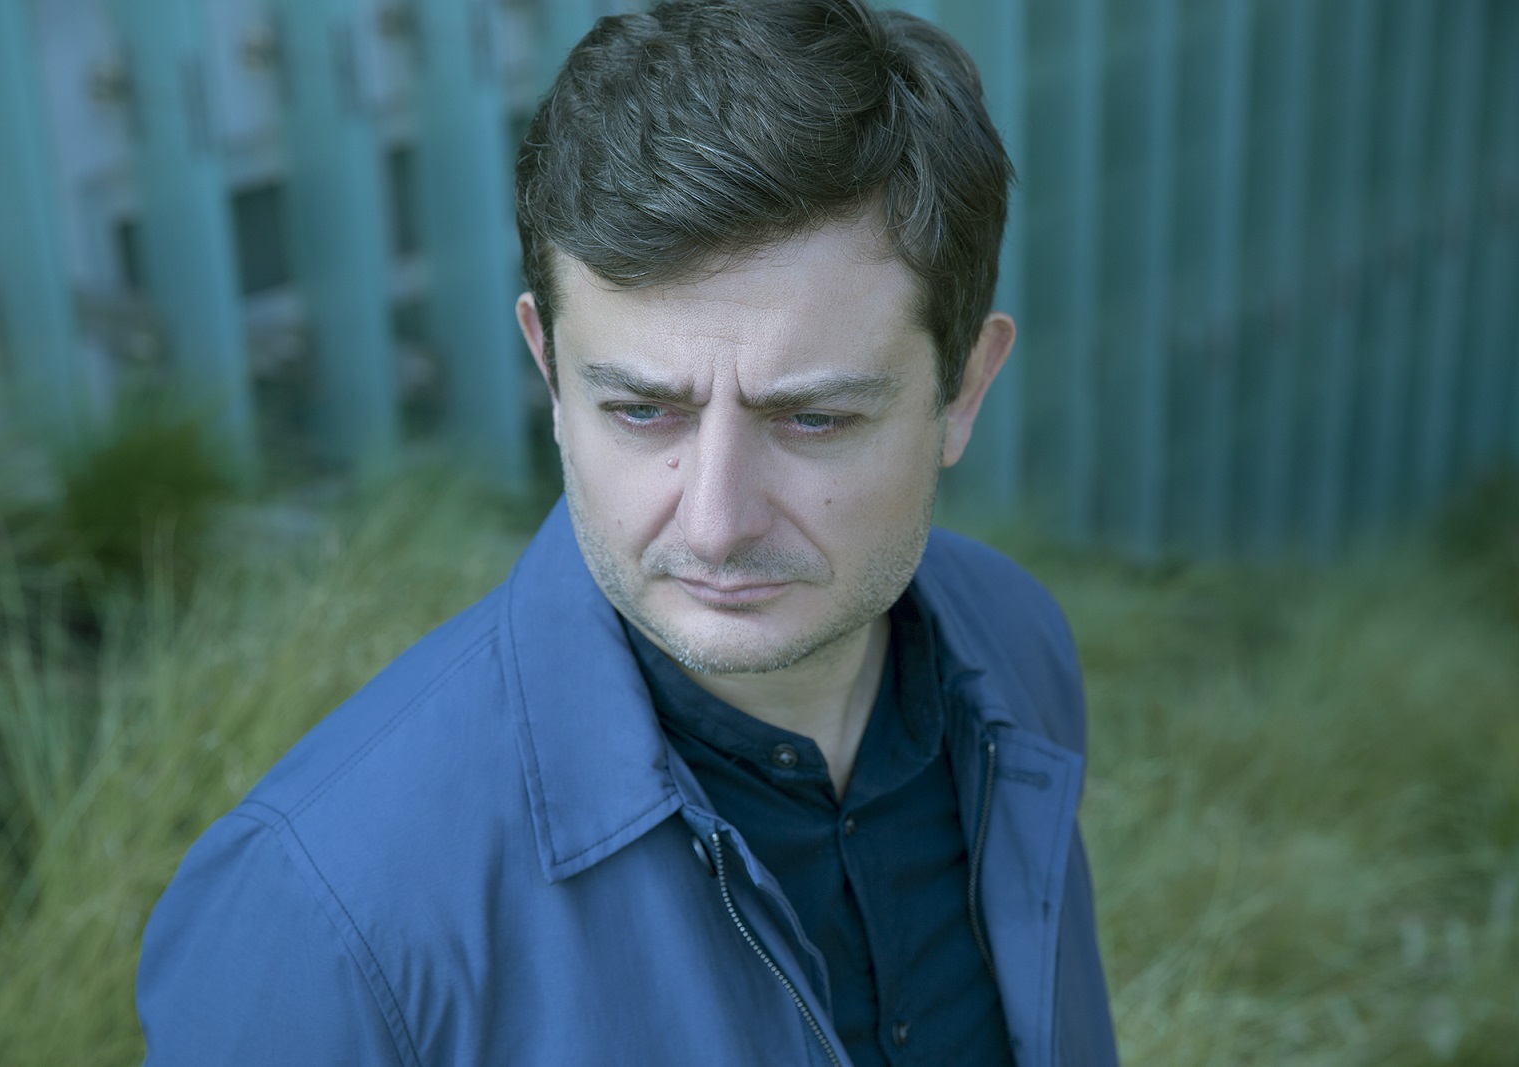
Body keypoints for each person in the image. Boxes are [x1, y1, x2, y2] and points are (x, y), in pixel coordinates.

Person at [136, 0, 1117, 1063]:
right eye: (643, 410)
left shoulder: (1014, 641)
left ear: (963, 390)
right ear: (550, 370)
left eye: (815, 418)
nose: (716, 523)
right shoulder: (321, 912)